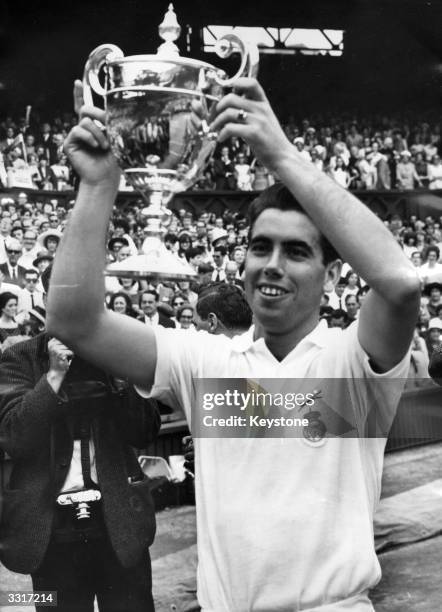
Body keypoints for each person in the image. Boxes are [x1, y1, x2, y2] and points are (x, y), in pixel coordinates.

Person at [48, 77, 420, 612]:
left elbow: (400, 284)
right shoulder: (205, 361)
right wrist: (99, 186)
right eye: (260, 247)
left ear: (330, 276)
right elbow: (73, 320)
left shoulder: (353, 364)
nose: (272, 265)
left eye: (296, 251)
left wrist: (281, 154)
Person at [0, 265, 160, 612]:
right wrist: (54, 376)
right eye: (63, 299)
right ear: (45, 301)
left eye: (83, 300)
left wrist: (119, 373)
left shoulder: (118, 354)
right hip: (51, 532)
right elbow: (14, 438)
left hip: (118, 522)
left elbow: (145, 432)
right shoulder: (19, 357)